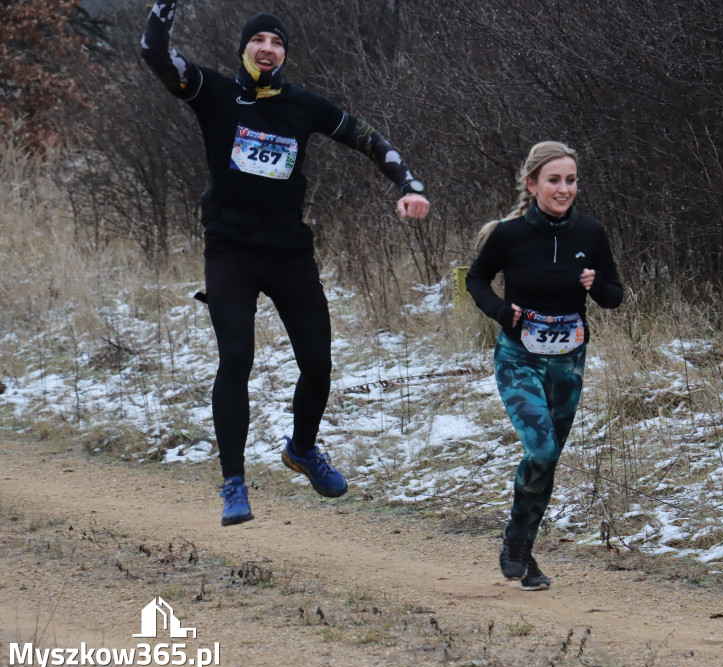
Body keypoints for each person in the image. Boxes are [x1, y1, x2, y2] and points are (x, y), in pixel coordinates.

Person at [141, 2, 430, 526]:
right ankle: (233, 482)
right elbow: (153, 53)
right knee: (236, 359)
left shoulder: (303, 105)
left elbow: (367, 138)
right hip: (230, 251)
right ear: (245, 48)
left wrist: (408, 184)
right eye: (260, 41)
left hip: (289, 252)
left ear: (284, 55)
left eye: (277, 43)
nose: (268, 48)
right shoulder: (211, 91)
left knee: (318, 363)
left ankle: (301, 449)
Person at [466, 141, 623, 590]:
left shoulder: (590, 233)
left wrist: (595, 286)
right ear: (532, 184)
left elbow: (613, 297)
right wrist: (500, 311)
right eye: (554, 180)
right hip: (519, 358)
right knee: (541, 451)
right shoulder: (509, 235)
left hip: (568, 364)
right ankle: (517, 536)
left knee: (548, 460)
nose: (564, 188)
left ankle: (523, 548)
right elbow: (476, 279)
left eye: (571, 180)